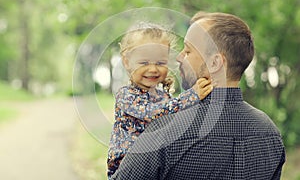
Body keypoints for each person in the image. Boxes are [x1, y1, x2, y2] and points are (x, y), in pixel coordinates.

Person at [111, 12, 286, 180]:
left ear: (215, 62)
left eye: (187, 51)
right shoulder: (270, 133)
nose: (179, 58)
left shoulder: (164, 131)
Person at [107, 22, 213, 179]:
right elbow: (152, 113)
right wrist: (192, 96)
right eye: (144, 63)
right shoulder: (126, 96)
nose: (153, 69)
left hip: (154, 165)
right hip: (127, 169)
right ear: (127, 62)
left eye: (160, 63)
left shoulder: (164, 96)